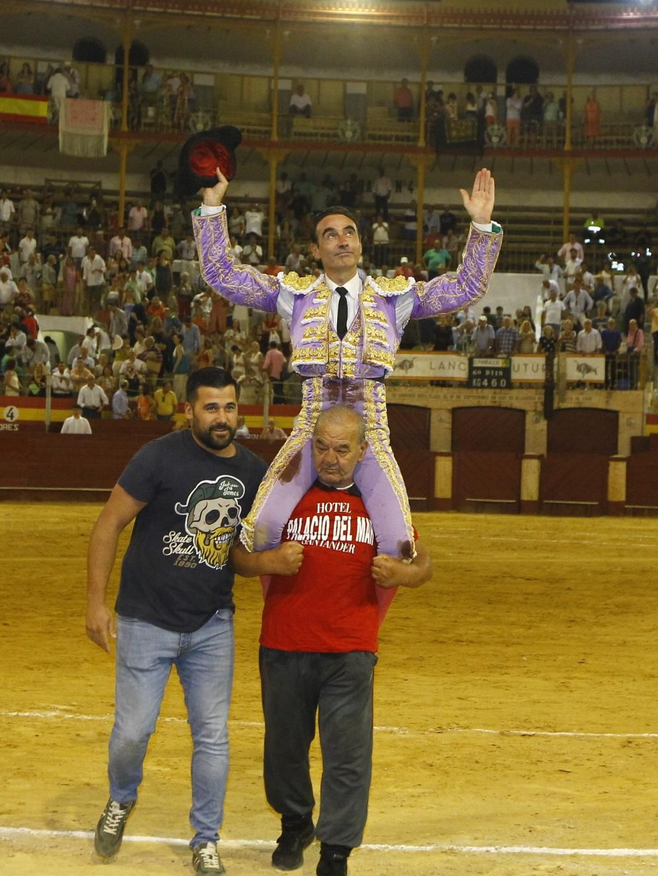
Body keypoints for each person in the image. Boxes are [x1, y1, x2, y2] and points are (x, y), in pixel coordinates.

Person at [193, 148, 500, 565]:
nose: (342, 240)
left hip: (369, 429)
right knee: (260, 531)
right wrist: (212, 210)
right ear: (316, 251)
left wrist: (481, 225)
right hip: (311, 425)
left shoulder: (395, 297)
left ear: (360, 242)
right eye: (331, 234)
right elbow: (224, 277)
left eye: (349, 232)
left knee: (398, 546)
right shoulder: (294, 294)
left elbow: (466, 288)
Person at [84, 367, 267, 874]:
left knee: (213, 736)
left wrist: (271, 563)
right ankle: (122, 797)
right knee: (132, 734)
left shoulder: (253, 472)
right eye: (211, 407)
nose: (222, 417)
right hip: (145, 621)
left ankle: (205, 838)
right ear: (189, 410)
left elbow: (243, 553)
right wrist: (96, 603)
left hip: (211, 625)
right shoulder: (158, 456)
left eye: (229, 407)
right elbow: (108, 524)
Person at [234, 406, 429, 876]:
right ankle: (296, 821)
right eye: (321, 445)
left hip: (349, 649)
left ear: (363, 451)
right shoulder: (284, 496)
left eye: (343, 448)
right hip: (284, 642)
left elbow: (424, 565)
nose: (330, 457)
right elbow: (239, 555)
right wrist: (269, 563)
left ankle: (336, 848)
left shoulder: (381, 503)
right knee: (284, 748)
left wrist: (401, 572)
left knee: (347, 754)